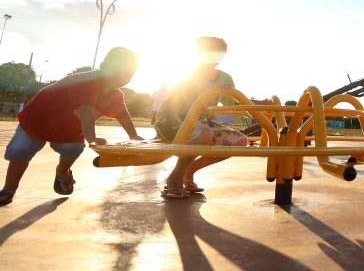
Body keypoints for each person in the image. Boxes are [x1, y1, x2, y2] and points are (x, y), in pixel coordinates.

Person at [0, 47, 144, 206]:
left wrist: (133, 135)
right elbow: (86, 110)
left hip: (67, 129)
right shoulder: (89, 81)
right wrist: (92, 138)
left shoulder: (115, 95)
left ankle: (62, 172)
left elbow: (123, 115)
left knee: (73, 148)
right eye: (116, 70)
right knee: (21, 150)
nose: (121, 76)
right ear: (103, 66)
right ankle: (9, 189)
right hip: (37, 121)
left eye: (128, 74)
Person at [155, 36, 268, 199]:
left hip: (202, 123)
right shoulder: (189, 73)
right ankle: (175, 178)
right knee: (204, 134)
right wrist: (212, 87)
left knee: (239, 141)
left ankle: (190, 170)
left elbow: (236, 105)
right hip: (173, 120)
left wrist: (261, 103)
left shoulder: (224, 78)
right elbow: (185, 92)